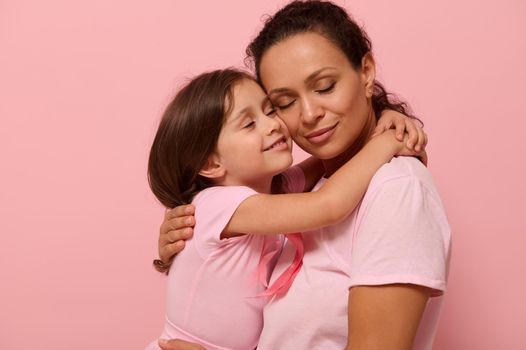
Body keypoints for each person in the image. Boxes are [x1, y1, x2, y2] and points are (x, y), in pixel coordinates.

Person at [156, 1, 451, 349]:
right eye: (284, 102)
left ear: (366, 71)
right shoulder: (309, 188)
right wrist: (184, 244)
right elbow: (324, 200)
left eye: (324, 86)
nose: (309, 114)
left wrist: (389, 136)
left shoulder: (396, 188)